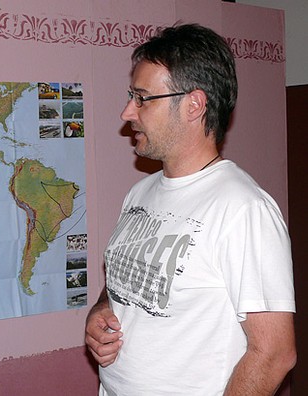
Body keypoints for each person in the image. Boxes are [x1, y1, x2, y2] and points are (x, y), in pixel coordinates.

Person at [85, 23, 296, 395]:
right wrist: (102, 309)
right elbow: (125, 283)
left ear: (194, 105)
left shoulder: (244, 208)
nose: (127, 112)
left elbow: (275, 353)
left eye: (142, 98)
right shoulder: (139, 193)